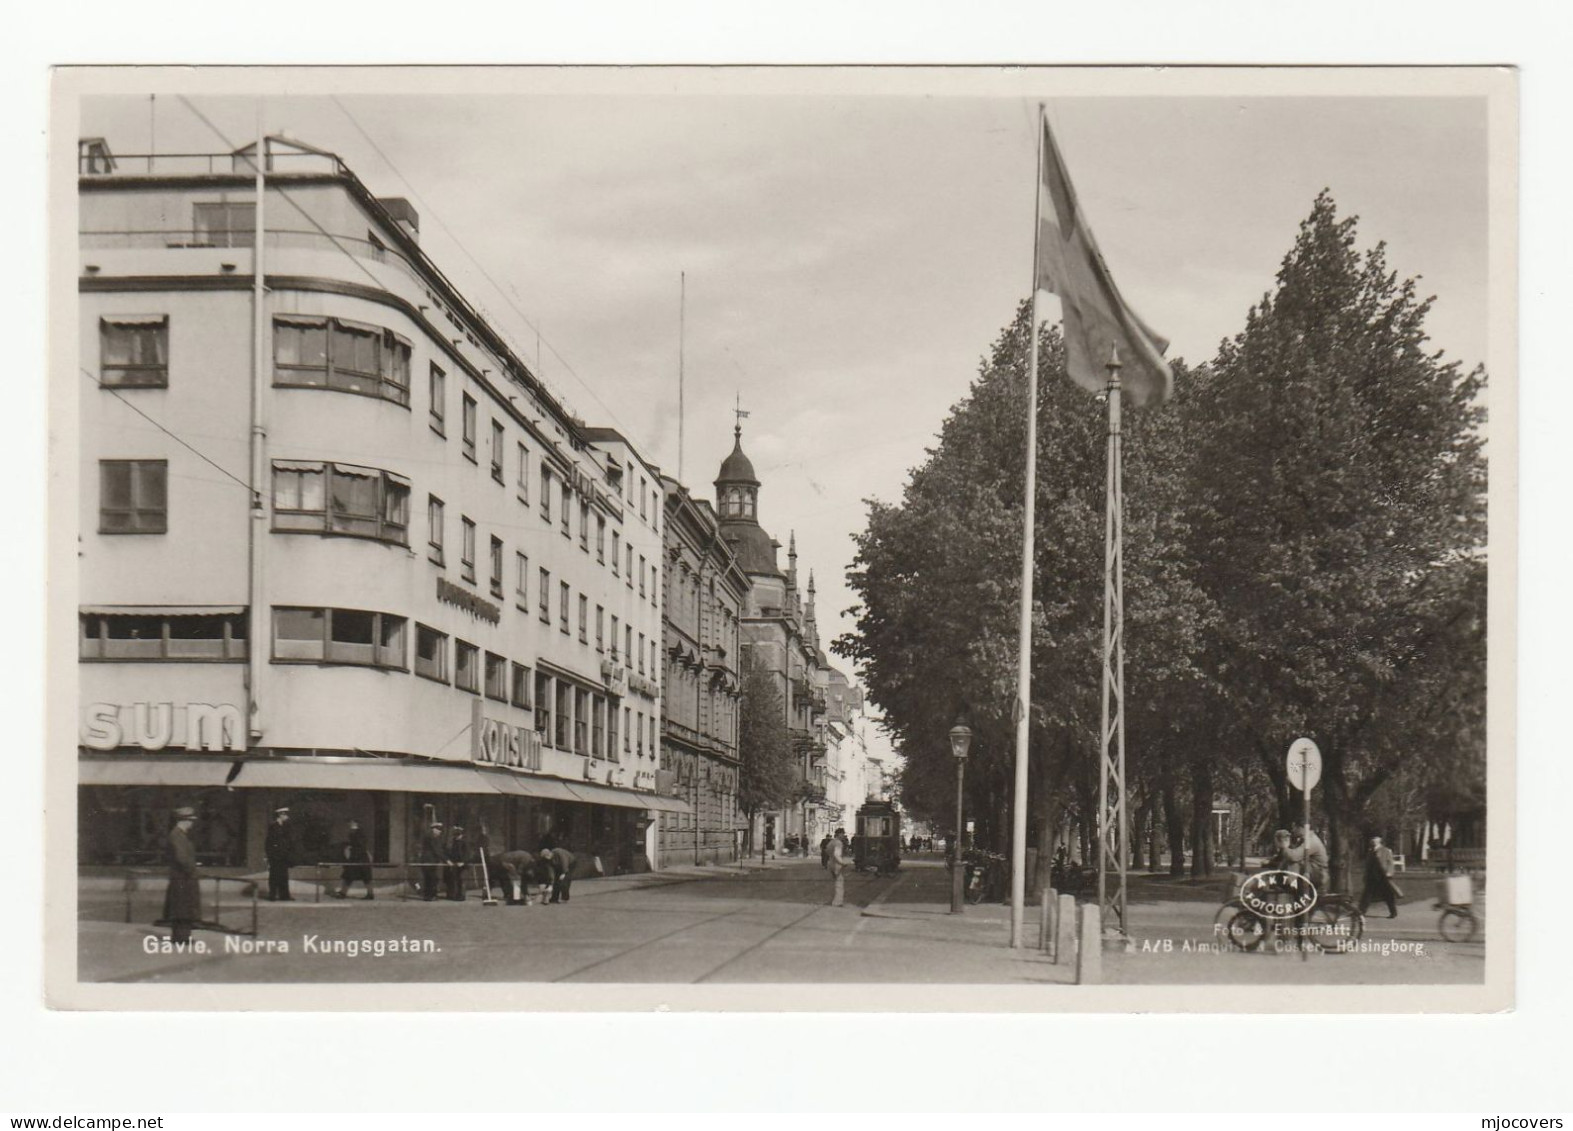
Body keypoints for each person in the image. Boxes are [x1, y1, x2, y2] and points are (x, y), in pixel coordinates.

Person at [163, 806, 201, 943]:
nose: (192, 823)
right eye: (190, 820)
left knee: (183, 908)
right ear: (183, 821)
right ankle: (181, 938)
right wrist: (191, 869)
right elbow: (181, 858)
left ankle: (182, 937)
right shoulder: (177, 835)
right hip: (182, 878)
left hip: (182, 878)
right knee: (182, 909)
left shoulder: (179, 835)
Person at [1360, 835, 1401, 919]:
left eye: (1375, 840)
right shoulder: (1370, 851)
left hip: (1383, 876)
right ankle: (1361, 912)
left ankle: (1393, 912)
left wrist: (1389, 872)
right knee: (1367, 895)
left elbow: (1390, 862)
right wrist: (1365, 875)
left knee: (1388, 894)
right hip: (1372, 876)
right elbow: (1368, 865)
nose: (1373, 842)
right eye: (1372, 840)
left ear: (1379, 841)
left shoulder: (1385, 850)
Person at [336, 818, 374, 900]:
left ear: (354, 823)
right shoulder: (359, 832)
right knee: (362, 876)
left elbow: (359, 844)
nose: (349, 824)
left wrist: (351, 847)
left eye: (350, 822)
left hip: (358, 856)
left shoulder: (357, 833)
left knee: (350, 875)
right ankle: (370, 894)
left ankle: (343, 893)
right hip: (360, 856)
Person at [264, 806, 294, 901]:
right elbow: (269, 842)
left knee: (284, 876)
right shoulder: (273, 826)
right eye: (285, 814)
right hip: (275, 855)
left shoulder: (286, 826)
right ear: (280, 815)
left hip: (284, 854)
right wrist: (269, 855)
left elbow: (288, 840)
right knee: (274, 875)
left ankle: (284, 895)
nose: (287, 816)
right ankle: (272, 895)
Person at [1293, 821, 1331, 893]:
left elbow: (1295, 856)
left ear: (1302, 828)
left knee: (1294, 864)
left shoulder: (1311, 841)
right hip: (1313, 871)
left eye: (1295, 827)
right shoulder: (1303, 840)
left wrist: (1284, 848)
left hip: (1319, 874)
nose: (1293, 830)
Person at [419, 821, 446, 901]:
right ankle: (430, 896)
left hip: (430, 861)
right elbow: (437, 850)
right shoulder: (431, 837)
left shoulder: (430, 836)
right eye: (438, 830)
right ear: (434, 829)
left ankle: (429, 896)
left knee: (430, 879)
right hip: (428, 861)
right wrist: (447, 860)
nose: (440, 832)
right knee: (432, 878)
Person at [445, 825, 469, 901]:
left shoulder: (465, 843)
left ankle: (461, 896)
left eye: (458, 835)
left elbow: (468, 855)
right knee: (455, 879)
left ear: (462, 835)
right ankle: (455, 895)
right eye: (456, 835)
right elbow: (451, 853)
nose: (457, 837)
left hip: (463, 865)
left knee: (462, 880)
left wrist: (463, 862)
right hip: (455, 864)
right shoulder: (453, 843)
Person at [827, 827, 850, 907]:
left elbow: (828, 852)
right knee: (839, 884)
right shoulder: (838, 843)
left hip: (830, 863)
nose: (843, 835)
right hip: (837, 865)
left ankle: (833, 900)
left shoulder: (831, 842)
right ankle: (837, 902)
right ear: (839, 834)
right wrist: (843, 863)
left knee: (834, 883)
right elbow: (837, 855)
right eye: (843, 833)